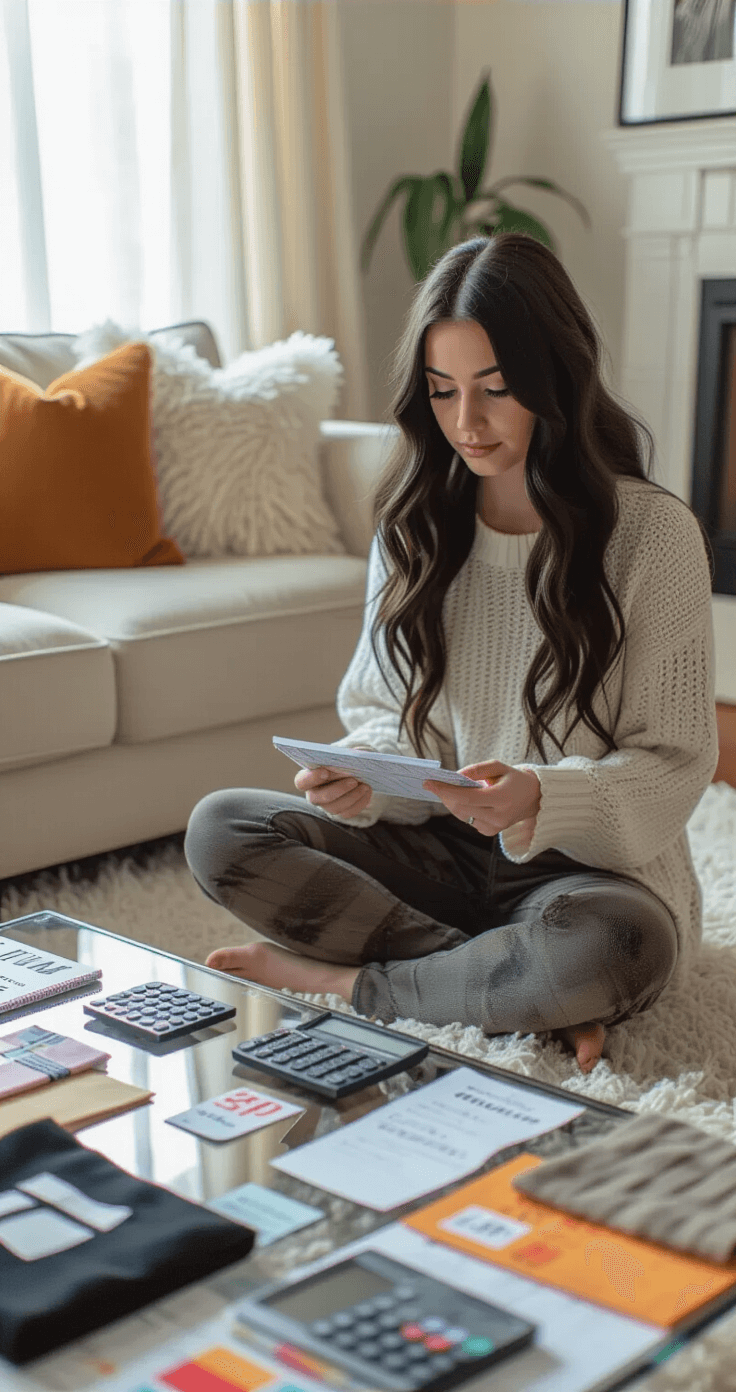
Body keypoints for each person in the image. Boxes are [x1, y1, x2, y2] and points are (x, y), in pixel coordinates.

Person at [184, 233, 719, 1075]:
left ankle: (354, 982)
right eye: (442, 393)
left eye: (496, 391)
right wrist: (362, 775)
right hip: (438, 857)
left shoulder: (653, 535)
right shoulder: (413, 529)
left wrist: (544, 793)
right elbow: (384, 718)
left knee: (616, 946)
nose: (466, 423)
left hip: (580, 876)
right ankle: (499, 987)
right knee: (223, 828)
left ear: (556, 379)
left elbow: (676, 761)